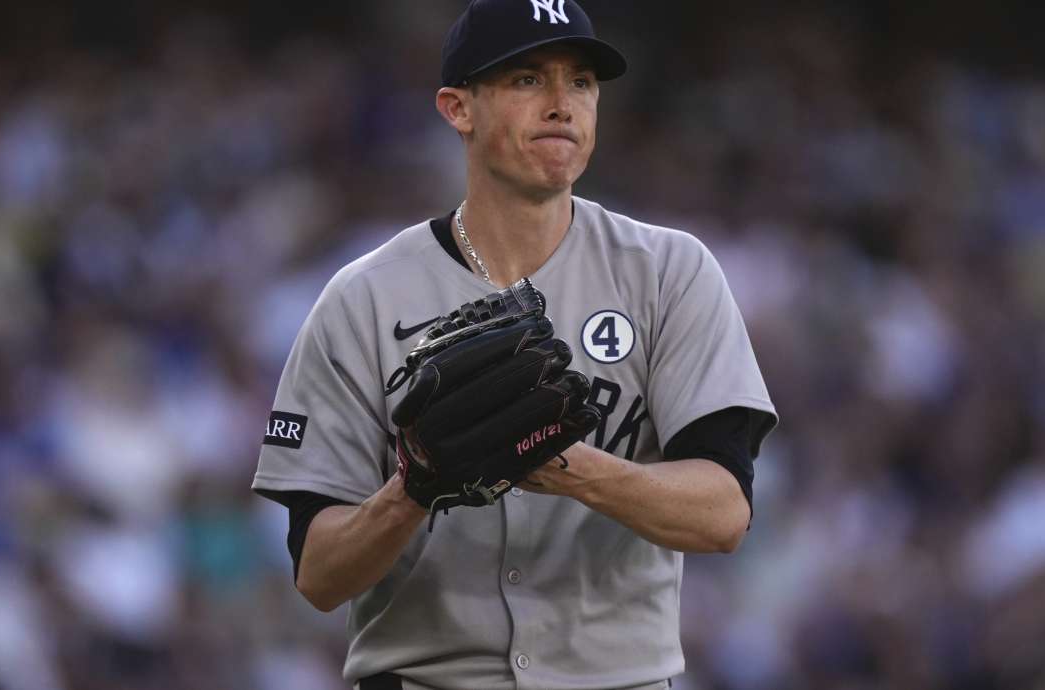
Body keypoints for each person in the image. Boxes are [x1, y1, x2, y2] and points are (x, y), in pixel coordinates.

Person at [252, 1, 778, 688]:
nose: (562, 103)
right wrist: (414, 488)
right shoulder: (363, 298)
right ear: (458, 108)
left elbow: (724, 514)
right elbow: (319, 576)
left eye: (581, 82)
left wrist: (563, 464)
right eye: (528, 79)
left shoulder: (669, 272)